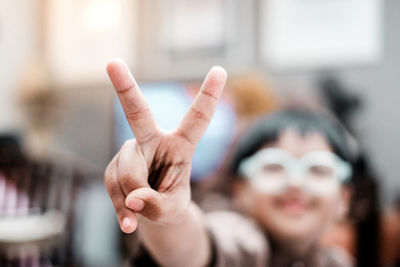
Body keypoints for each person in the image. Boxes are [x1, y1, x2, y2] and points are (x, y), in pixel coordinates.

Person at [104, 59, 354, 267]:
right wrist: (168, 217)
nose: (296, 182)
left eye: (318, 169)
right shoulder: (246, 243)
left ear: (344, 198)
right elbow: (198, 247)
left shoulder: (338, 261)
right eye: (274, 166)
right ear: (240, 188)